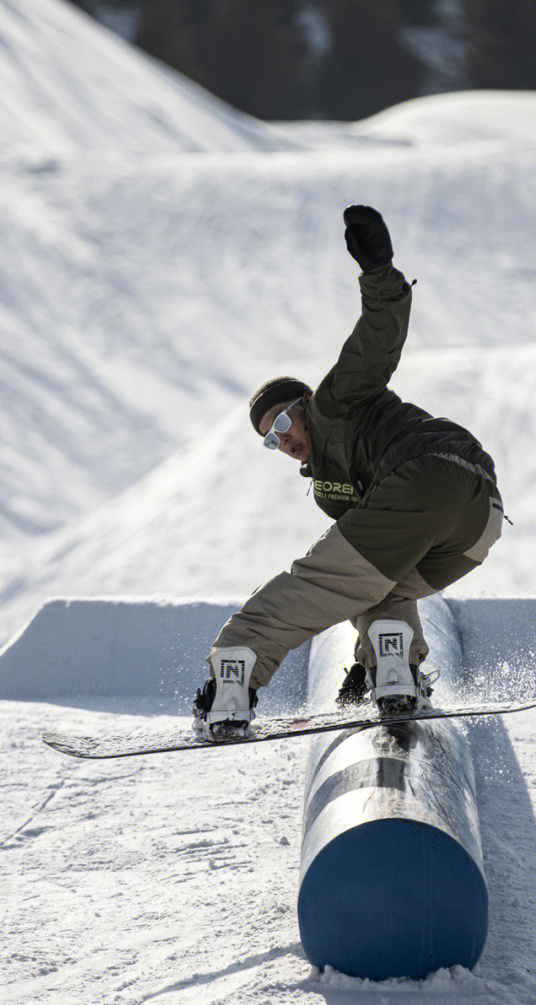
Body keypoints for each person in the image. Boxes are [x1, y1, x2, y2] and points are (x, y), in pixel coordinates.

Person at [195, 205, 505, 735]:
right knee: (381, 588)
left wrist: (378, 272)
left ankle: (234, 671)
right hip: (478, 521)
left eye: (285, 419)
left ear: (306, 402)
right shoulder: (330, 490)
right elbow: (364, 583)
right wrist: (363, 672)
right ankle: (392, 669)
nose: (285, 438)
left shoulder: (335, 403)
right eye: (270, 438)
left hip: (426, 471)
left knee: (314, 584)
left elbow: (376, 340)